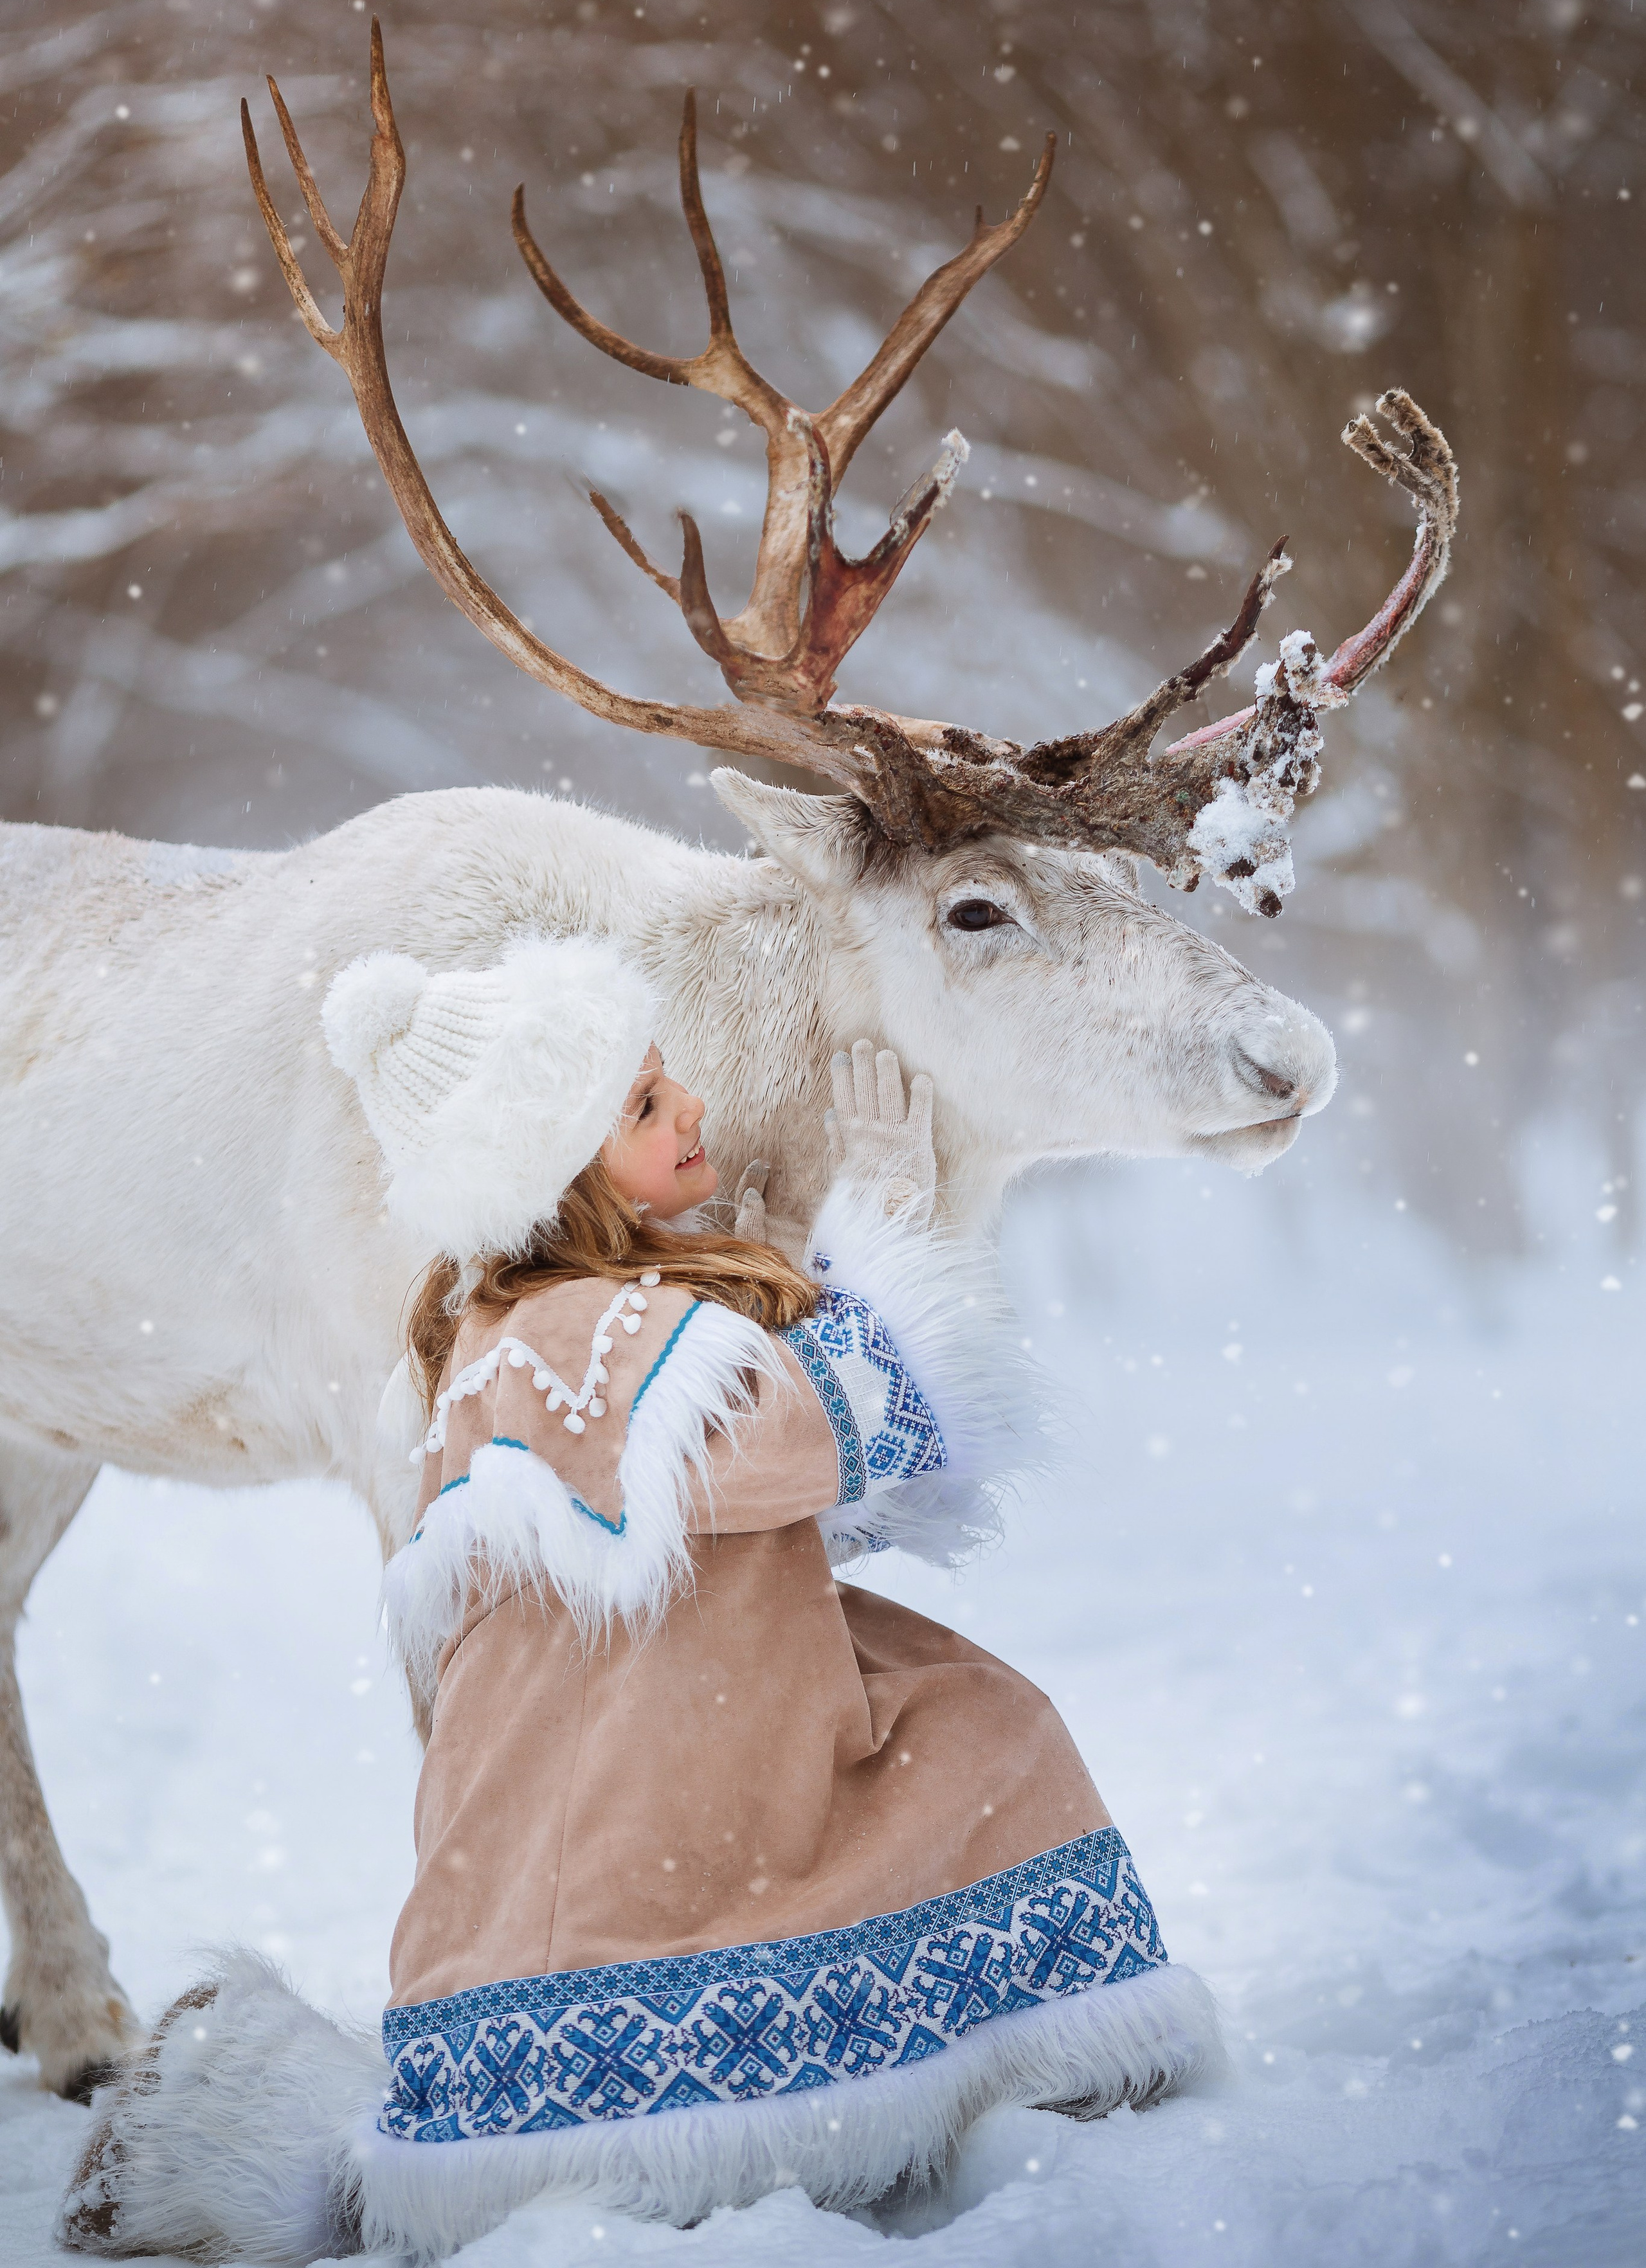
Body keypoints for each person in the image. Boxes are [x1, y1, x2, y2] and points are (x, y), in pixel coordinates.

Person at [60, 938, 1216, 2265]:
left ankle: (943, 2079)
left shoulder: (546, 1323)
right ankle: (941, 2083)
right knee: (982, 1742)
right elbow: (813, 1440)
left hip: (649, 1750)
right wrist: (892, 1228)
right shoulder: (573, 1336)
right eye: (644, 1103)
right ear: (550, 1168)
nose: (690, 1113)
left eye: (670, 1086)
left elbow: (772, 1499)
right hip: (638, 1808)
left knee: (968, 1723)